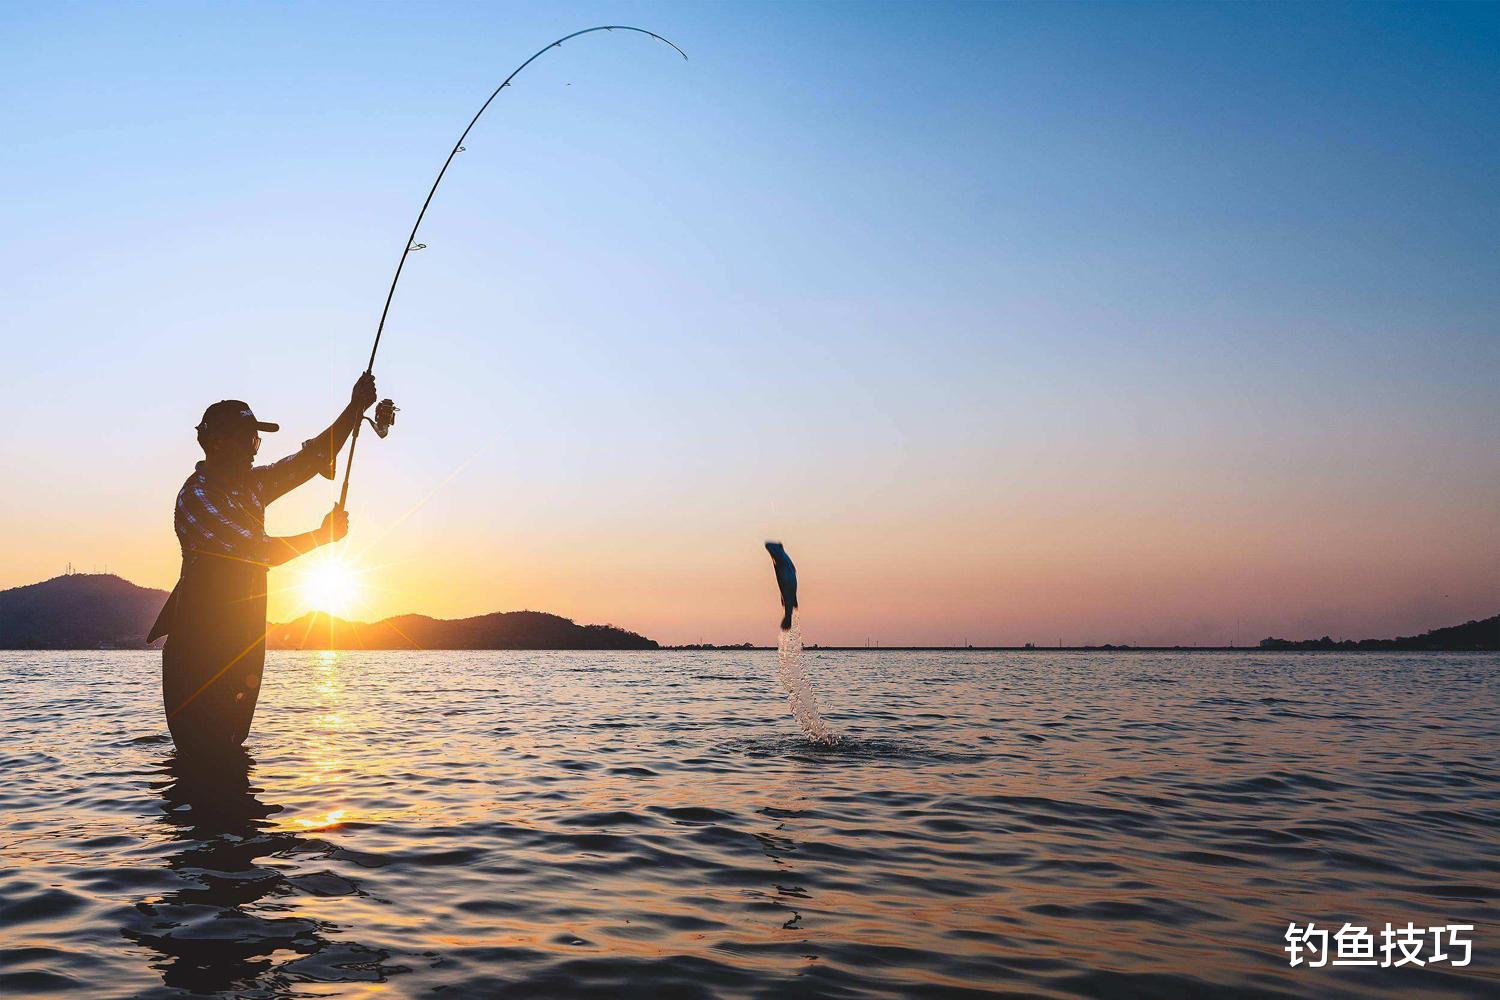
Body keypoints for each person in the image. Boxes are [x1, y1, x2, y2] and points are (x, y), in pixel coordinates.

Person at [148, 374, 377, 750]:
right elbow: (252, 550)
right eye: (248, 440)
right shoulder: (196, 497)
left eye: (257, 440)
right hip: (198, 652)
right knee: (202, 755)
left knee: (232, 751)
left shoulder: (252, 484)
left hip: (244, 644)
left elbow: (312, 457)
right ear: (217, 443)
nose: (256, 450)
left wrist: (354, 409)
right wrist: (320, 538)